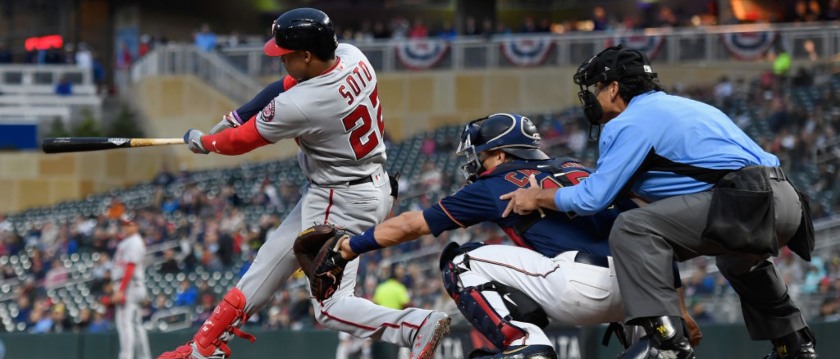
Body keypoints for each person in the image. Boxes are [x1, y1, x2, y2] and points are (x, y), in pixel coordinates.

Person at [158, 8, 449, 359]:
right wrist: (238, 113)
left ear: (307, 55)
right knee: (269, 259)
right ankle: (203, 348)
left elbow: (240, 142)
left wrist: (204, 142)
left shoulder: (304, 103)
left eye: (286, 55)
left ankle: (416, 326)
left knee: (330, 306)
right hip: (365, 183)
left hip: (340, 197)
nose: (280, 60)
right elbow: (284, 85)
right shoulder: (351, 56)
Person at [500, 45, 817, 358]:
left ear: (613, 89)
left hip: (744, 201)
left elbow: (592, 198)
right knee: (738, 259)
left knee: (632, 229)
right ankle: (795, 344)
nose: (593, 96)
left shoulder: (630, 121)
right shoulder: (687, 107)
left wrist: (537, 195)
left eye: (597, 87)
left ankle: (667, 342)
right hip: (786, 200)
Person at [330, 113, 701, 359]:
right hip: (642, 288)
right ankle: (663, 343)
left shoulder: (497, 182)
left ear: (501, 154)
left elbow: (413, 225)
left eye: (483, 154)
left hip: (578, 284)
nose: (476, 161)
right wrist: (678, 307)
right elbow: (653, 238)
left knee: (462, 259)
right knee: (664, 346)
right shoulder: (581, 169)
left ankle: (527, 345)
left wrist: (350, 246)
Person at [113, 215, 151, 359]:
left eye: (129, 224)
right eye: (124, 224)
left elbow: (130, 266)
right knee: (136, 324)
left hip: (129, 286)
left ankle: (126, 356)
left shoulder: (134, 241)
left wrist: (121, 290)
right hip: (134, 285)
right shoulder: (130, 241)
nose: (125, 227)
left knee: (125, 324)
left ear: (136, 227)